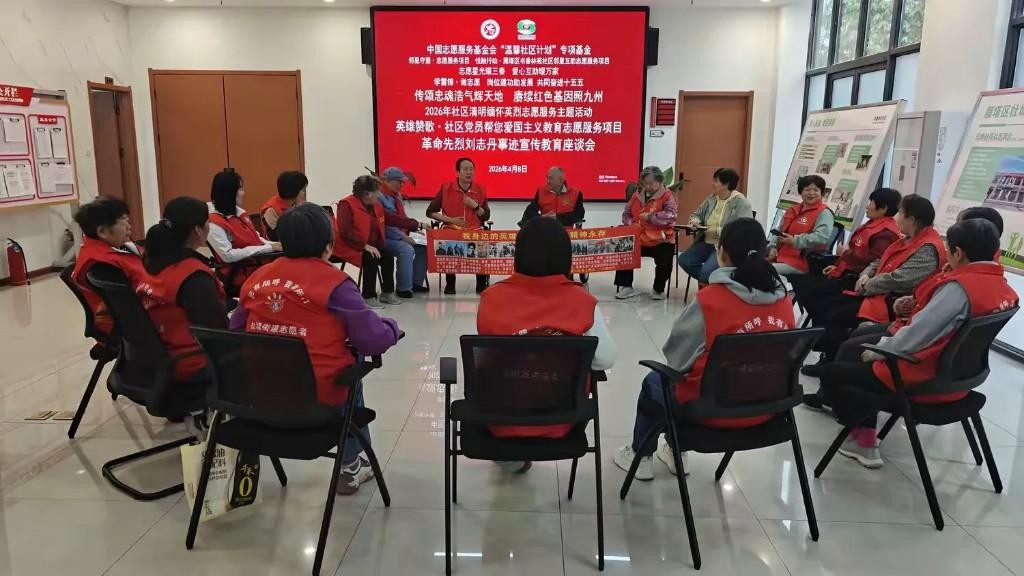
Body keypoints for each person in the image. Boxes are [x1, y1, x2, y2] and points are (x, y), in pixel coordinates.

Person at [814, 218, 1017, 469]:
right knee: (855, 352)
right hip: (961, 380)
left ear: (959, 253)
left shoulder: (960, 288)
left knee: (832, 372)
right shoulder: (1003, 288)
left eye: (948, 249)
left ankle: (863, 441)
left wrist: (882, 350)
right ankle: (860, 430)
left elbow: (919, 334)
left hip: (921, 376)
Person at [231, 204, 402, 494]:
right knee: (352, 367)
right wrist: (392, 328)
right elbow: (372, 340)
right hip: (317, 400)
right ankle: (350, 465)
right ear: (328, 245)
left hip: (257, 395)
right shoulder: (335, 283)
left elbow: (236, 332)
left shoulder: (256, 279)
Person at [613, 218, 794, 480]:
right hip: (768, 409)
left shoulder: (711, 299)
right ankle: (675, 451)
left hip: (711, 410)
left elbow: (676, 358)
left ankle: (641, 457)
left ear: (722, 253)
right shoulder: (784, 300)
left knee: (655, 382)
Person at [477, 216, 616, 473]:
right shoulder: (582, 301)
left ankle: (508, 456)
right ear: (566, 256)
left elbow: (488, 356)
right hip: (562, 420)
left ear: (518, 254)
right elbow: (606, 359)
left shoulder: (491, 298)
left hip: (499, 419)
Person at [803, 194, 946, 376]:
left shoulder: (928, 248)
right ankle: (829, 358)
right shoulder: (908, 238)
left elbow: (901, 279)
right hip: (875, 292)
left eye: (900, 214)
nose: (897, 218)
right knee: (824, 305)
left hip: (892, 303)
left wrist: (868, 284)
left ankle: (832, 365)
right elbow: (880, 260)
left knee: (834, 313)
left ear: (912, 220)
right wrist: (865, 275)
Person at [134, 197, 227, 433]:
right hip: (192, 363)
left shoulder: (148, 264)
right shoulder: (193, 276)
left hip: (157, 358)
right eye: (207, 223)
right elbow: (217, 330)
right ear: (197, 230)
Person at [790, 187, 902, 323]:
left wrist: (845, 253)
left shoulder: (886, 233)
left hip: (855, 279)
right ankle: (819, 324)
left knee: (812, 292)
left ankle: (821, 327)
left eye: (871, 202)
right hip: (845, 271)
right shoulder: (872, 224)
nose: (867, 206)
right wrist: (837, 266)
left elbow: (873, 262)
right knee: (803, 285)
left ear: (883, 208)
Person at [71, 196, 145, 335]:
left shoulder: (97, 247)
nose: (129, 227)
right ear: (103, 232)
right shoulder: (102, 264)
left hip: (130, 319)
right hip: (129, 326)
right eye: (124, 222)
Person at [207, 169, 279, 294]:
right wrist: (269, 248)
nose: (243, 193)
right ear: (229, 193)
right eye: (240, 189)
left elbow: (256, 238)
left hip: (260, 265)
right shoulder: (214, 222)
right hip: (242, 272)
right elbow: (228, 255)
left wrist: (274, 245)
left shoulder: (240, 213)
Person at [427, 157, 491, 294]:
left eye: (471, 169)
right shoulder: (446, 188)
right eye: (465, 169)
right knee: (448, 240)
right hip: (452, 228)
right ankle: (450, 283)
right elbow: (430, 212)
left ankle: (481, 283)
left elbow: (486, 216)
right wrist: (450, 220)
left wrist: (475, 206)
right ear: (457, 172)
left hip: (474, 228)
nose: (469, 172)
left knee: (481, 241)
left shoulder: (480, 189)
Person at [678, 168, 753, 285]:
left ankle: (710, 283)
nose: (713, 184)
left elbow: (743, 229)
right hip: (707, 242)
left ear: (726, 184)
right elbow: (697, 214)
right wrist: (694, 222)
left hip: (725, 246)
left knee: (706, 272)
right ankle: (714, 282)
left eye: (716, 181)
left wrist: (716, 231)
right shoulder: (712, 198)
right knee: (684, 260)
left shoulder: (741, 202)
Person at [334, 175, 398, 308]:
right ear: (367, 194)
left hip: (370, 245)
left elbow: (391, 219)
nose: (379, 194)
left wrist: (417, 224)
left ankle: (387, 292)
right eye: (377, 191)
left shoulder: (375, 205)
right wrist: (364, 245)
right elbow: (345, 232)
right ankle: (368, 296)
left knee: (387, 255)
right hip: (350, 246)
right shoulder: (346, 204)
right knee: (371, 257)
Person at [615, 166, 677, 300]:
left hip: (660, 240)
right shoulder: (636, 195)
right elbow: (626, 214)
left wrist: (651, 217)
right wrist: (631, 224)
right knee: (624, 248)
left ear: (659, 182)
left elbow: (671, 216)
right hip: (639, 237)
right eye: (645, 183)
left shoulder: (667, 196)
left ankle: (658, 290)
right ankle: (626, 287)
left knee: (665, 260)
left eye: (650, 183)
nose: (647, 186)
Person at [768, 174, 835, 276]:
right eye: (807, 190)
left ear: (822, 193)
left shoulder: (825, 213)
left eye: (816, 190)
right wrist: (773, 247)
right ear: (801, 192)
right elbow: (779, 232)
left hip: (801, 262)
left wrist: (795, 241)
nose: (811, 193)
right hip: (779, 256)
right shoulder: (792, 210)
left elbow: (821, 237)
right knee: (750, 265)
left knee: (764, 270)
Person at [379, 166, 429, 297]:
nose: (402, 184)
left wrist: (415, 229)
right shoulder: (379, 197)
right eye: (399, 181)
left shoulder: (397, 196)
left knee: (424, 247)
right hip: (384, 237)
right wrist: (402, 236)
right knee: (406, 249)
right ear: (388, 181)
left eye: (403, 182)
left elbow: (402, 218)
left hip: (400, 233)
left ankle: (415, 283)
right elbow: (385, 223)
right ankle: (403, 288)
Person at [520, 166, 585, 227]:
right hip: (545, 229)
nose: (548, 181)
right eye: (547, 178)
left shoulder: (576, 193)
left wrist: (557, 217)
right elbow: (529, 212)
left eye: (550, 178)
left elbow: (579, 215)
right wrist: (542, 217)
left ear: (561, 179)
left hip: (566, 231)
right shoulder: (541, 191)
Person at [260, 170, 308, 241]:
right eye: (303, 190)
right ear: (293, 192)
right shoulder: (271, 210)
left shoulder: (294, 204)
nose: (305, 194)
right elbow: (276, 237)